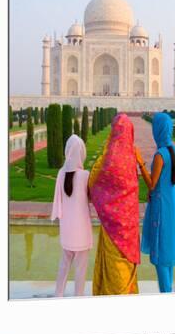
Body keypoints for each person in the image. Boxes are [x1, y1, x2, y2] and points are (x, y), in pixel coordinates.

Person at [136, 112, 175, 293]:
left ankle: (166, 296)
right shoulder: (172, 150)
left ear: (158, 130)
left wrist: (140, 163)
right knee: (168, 258)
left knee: (160, 258)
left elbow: (152, 184)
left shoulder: (160, 155)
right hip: (171, 206)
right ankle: (169, 291)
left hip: (162, 209)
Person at [89, 113, 140, 295]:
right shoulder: (131, 158)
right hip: (129, 227)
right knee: (125, 265)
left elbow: (93, 183)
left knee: (112, 265)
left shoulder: (107, 160)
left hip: (111, 225)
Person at [51, 134, 92, 297]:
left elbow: (58, 201)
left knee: (64, 265)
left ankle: (58, 295)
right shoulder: (85, 175)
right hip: (81, 231)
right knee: (80, 270)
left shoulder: (61, 174)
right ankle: (78, 298)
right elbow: (91, 198)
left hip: (67, 229)